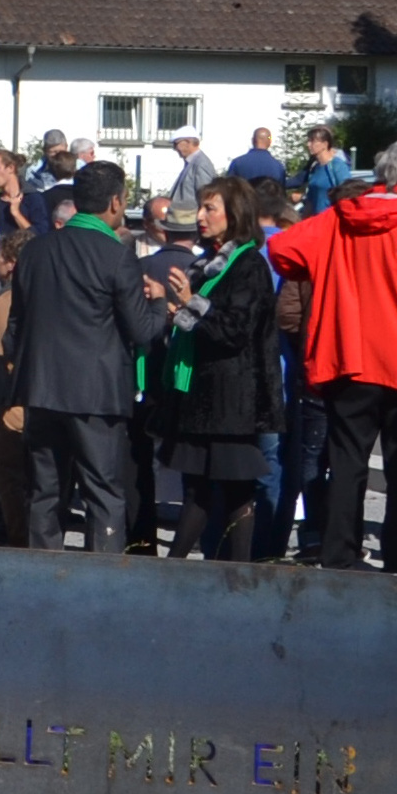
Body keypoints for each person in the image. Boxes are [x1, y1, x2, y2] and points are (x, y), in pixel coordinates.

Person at [265, 137, 397, 574]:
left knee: (345, 463)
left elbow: (282, 250)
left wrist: (323, 268)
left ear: (380, 175)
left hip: (348, 360)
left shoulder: (338, 218)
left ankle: (340, 555)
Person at [1, 161, 155, 550]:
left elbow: (14, 327)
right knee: (103, 492)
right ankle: (102, 582)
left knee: (45, 491)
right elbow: (142, 332)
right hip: (96, 394)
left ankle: (43, 573)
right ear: (116, 203)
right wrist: (161, 303)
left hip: (42, 388)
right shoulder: (117, 256)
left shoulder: (34, 251)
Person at [163, 178, 283, 559]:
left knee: (235, 489)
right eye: (201, 208)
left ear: (235, 215)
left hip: (233, 397)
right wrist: (180, 313)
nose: (200, 217)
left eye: (210, 208)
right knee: (198, 488)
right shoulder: (209, 263)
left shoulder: (247, 264)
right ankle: (176, 567)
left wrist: (190, 304)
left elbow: (235, 331)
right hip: (202, 394)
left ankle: (239, 572)